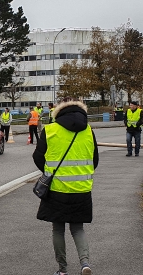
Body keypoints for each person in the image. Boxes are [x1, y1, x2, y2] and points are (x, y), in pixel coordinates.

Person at [32, 97, 99, 275]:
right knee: (78, 228)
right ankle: (85, 264)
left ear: (58, 111)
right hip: (82, 189)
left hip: (56, 189)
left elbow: (38, 157)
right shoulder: (89, 131)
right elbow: (95, 160)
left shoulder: (50, 130)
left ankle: (62, 270)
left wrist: (50, 173)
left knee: (58, 229)